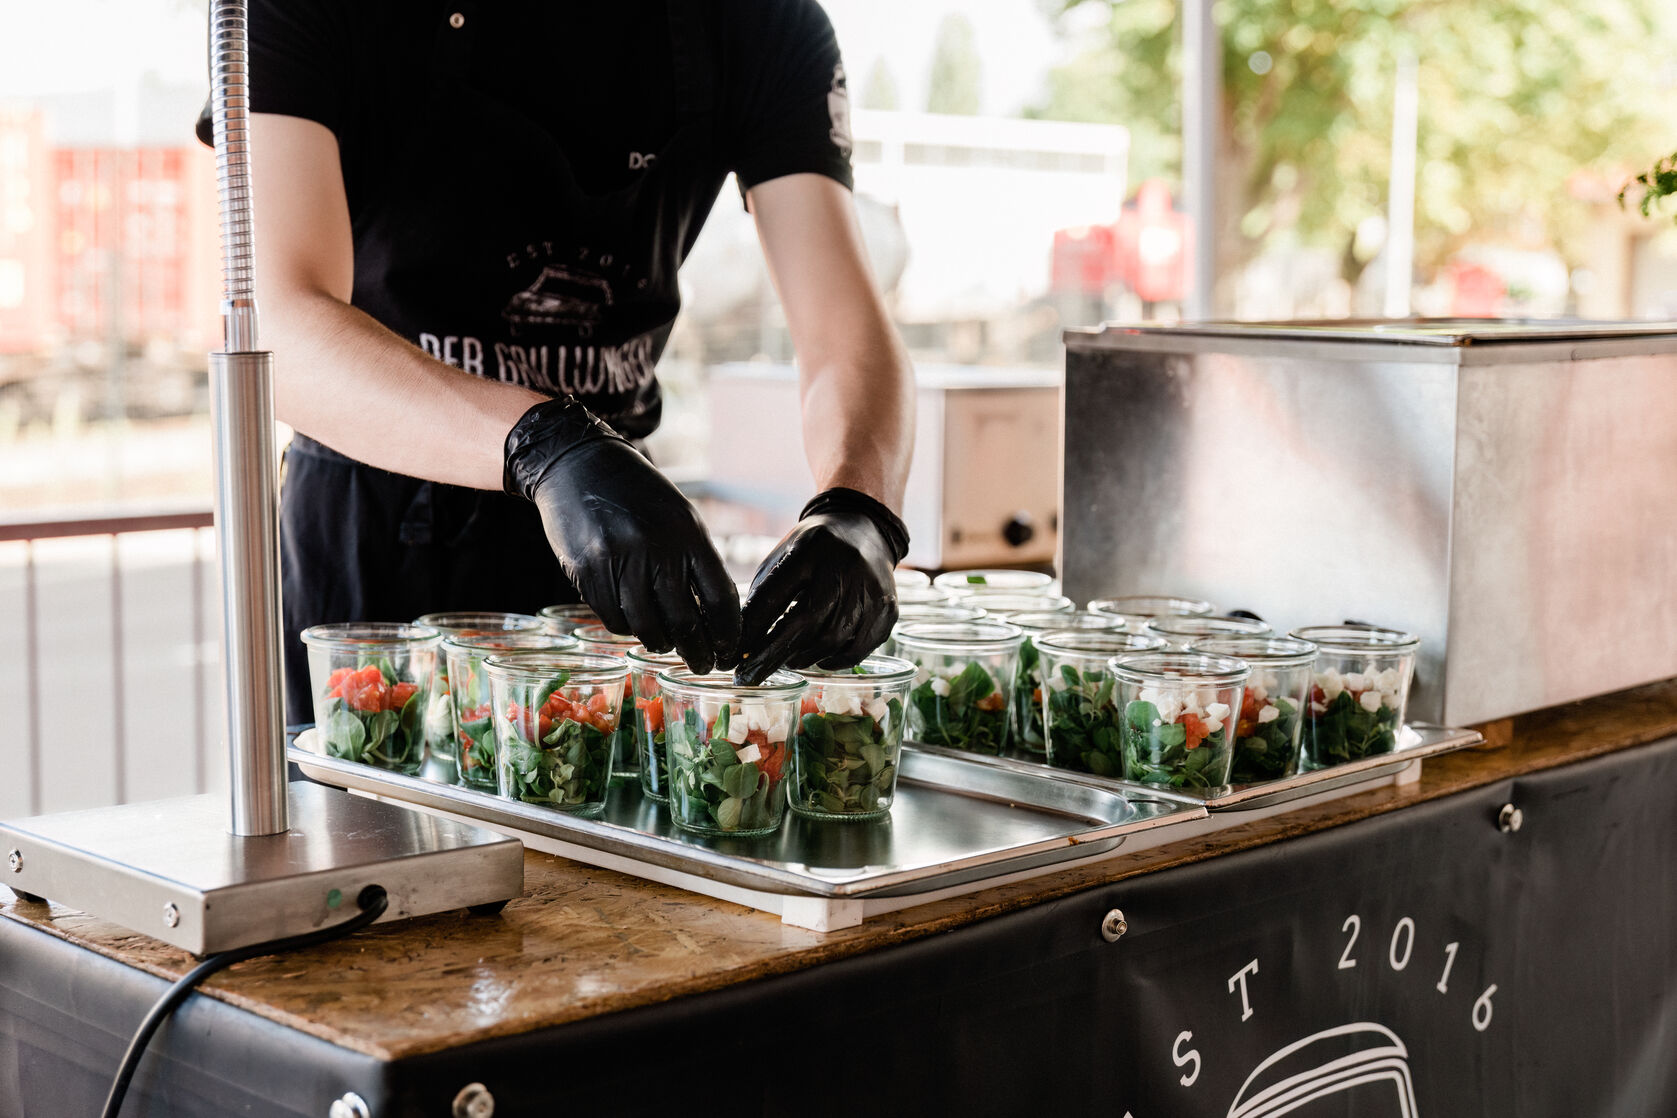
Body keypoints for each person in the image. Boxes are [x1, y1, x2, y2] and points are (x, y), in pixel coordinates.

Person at [201, 0, 915, 722]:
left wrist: (859, 507)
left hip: (618, 536)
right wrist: (543, 445)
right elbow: (276, 330)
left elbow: (844, 331)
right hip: (376, 542)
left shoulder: (761, 23)